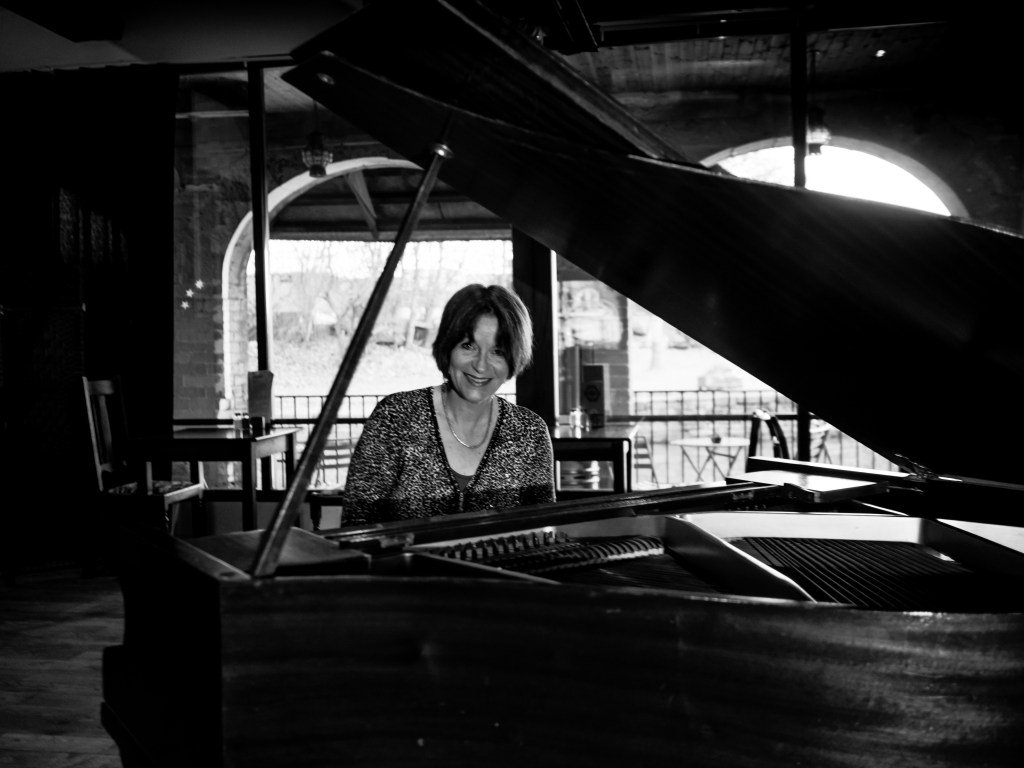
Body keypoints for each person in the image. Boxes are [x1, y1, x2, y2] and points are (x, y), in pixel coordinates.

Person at [343, 283, 555, 523]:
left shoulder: (529, 432)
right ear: (448, 346)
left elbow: (543, 532)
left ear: (514, 357)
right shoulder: (395, 418)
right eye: (468, 346)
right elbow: (356, 527)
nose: (481, 365)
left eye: (498, 351)